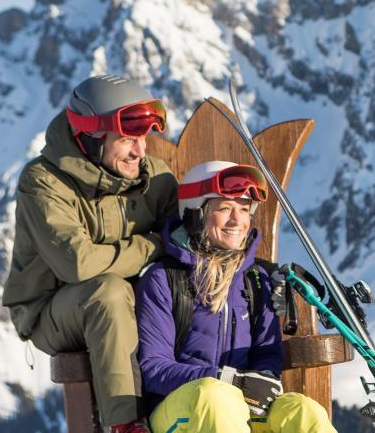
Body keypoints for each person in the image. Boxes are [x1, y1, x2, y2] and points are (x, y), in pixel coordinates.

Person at [2, 74, 177, 432]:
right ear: (92, 136)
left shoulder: (153, 176)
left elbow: (183, 240)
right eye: (128, 139)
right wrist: (152, 246)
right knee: (107, 291)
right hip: (52, 309)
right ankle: (126, 424)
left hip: (135, 302)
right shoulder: (43, 183)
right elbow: (78, 264)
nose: (141, 150)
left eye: (143, 138)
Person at [135, 161, 334, 432]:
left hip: (241, 406)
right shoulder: (163, 278)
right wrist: (225, 379)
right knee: (213, 397)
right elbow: (154, 368)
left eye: (243, 209)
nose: (237, 220)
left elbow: (268, 353)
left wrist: (260, 381)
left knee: (302, 411)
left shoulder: (255, 279)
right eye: (225, 208)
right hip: (181, 409)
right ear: (195, 214)